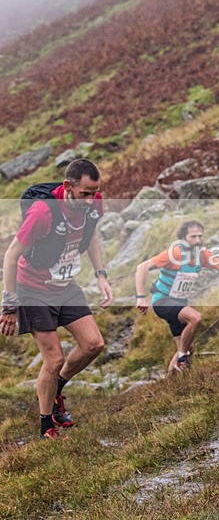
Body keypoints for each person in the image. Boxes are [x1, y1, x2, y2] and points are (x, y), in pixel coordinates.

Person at [0, 159, 113, 440]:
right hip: (33, 290)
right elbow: (11, 256)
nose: (90, 199)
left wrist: (101, 275)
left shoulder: (93, 204)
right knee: (53, 359)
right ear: (68, 187)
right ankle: (46, 424)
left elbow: (91, 235)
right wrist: (9, 305)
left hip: (65, 286)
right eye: (84, 193)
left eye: (94, 192)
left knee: (93, 344)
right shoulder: (42, 212)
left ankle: (55, 390)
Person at [135, 221, 219, 373]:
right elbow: (142, 267)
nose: (198, 240)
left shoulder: (202, 254)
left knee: (188, 347)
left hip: (179, 303)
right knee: (195, 318)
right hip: (162, 301)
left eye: (200, 236)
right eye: (193, 237)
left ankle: (170, 382)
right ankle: (181, 358)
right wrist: (141, 297)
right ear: (183, 238)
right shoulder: (174, 253)